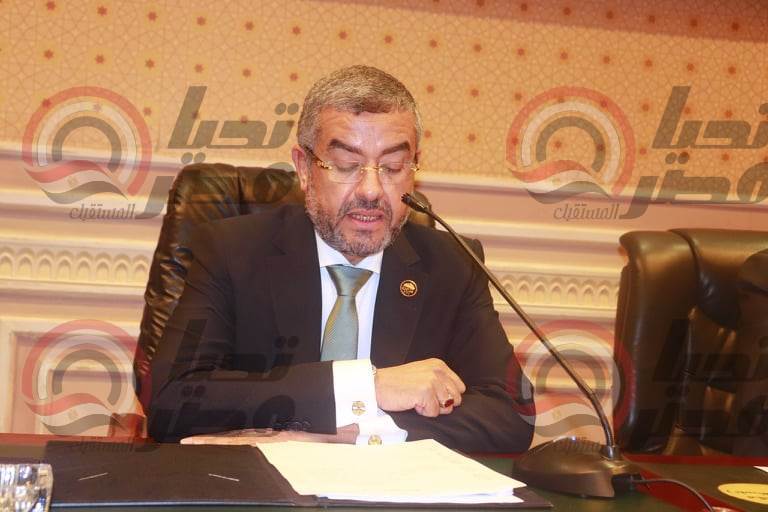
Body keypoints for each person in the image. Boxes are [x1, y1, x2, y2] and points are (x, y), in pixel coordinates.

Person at [148, 65, 534, 452]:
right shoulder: (232, 251)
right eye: (347, 165)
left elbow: (512, 414)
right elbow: (172, 400)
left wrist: (355, 432)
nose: (371, 190)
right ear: (304, 168)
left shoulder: (453, 266)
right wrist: (366, 387)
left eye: (393, 167)